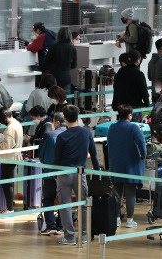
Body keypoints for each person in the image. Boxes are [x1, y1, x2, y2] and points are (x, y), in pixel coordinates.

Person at [54, 105, 100, 246]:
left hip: (64, 174)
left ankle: (70, 237)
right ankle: (85, 235)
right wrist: (97, 172)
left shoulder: (61, 136)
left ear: (65, 119)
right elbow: (94, 154)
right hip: (81, 174)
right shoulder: (86, 133)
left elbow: (56, 160)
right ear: (78, 117)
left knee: (65, 206)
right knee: (84, 206)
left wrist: (56, 175)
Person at [107, 104, 146, 229]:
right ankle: (130, 220)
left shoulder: (112, 127)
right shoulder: (133, 127)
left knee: (117, 192)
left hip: (116, 164)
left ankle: (117, 219)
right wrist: (143, 155)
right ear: (129, 115)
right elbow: (141, 142)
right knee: (130, 192)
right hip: (131, 164)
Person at [0, 107, 22, 213]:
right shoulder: (17, 124)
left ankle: (9, 209)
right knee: (8, 183)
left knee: (7, 184)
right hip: (14, 157)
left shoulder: (10, 128)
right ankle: (9, 207)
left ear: (5, 117)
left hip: (9, 158)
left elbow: (7, 146)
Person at [38, 112, 66, 235]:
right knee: (63, 200)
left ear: (57, 122)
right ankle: (61, 225)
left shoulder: (49, 135)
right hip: (66, 174)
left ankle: (51, 226)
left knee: (48, 198)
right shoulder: (71, 134)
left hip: (49, 173)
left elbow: (41, 154)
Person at [112, 50, 149, 120]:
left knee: (122, 127)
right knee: (133, 127)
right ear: (138, 60)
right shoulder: (139, 74)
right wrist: (147, 104)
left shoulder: (120, 72)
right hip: (134, 107)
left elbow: (116, 88)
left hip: (121, 107)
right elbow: (144, 91)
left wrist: (115, 105)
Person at [44, 27, 77, 98]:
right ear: (70, 36)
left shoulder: (53, 48)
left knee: (53, 99)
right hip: (66, 78)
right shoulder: (72, 48)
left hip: (53, 78)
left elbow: (46, 62)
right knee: (66, 98)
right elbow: (74, 65)